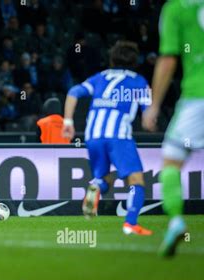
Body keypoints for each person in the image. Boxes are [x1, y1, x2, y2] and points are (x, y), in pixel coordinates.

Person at [63, 41, 153, 236]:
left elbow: (73, 92)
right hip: (118, 135)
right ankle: (130, 224)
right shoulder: (139, 81)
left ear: (112, 59)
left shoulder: (100, 77)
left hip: (93, 135)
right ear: (135, 61)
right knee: (136, 180)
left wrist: (68, 122)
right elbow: (148, 118)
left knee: (104, 178)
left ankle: (95, 186)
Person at [142, 0, 204, 257]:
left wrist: (154, 105)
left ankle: (177, 220)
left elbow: (168, 60)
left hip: (198, 97)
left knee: (171, 161)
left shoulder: (176, 8)